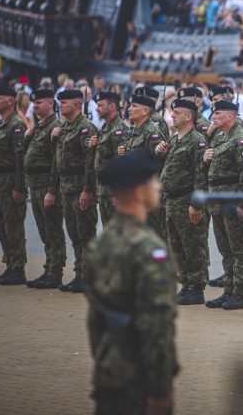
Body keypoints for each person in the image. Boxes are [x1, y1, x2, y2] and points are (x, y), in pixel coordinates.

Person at [84, 151, 179, 415]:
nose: (159, 186)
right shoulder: (149, 248)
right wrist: (160, 390)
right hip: (140, 377)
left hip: (108, 369)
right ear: (139, 192)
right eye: (154, 181)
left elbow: (95, 320)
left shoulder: (101, 243)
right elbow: (157, 326)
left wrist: (106, 360)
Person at [155, 99, 209, 306]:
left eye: (176, 112)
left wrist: (196, 204)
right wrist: (160, 154)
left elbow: (200, 175)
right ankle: (186, 284)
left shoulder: (197, 141)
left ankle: (196, 287)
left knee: (192, 245)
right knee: (176, 246)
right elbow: (170, 170)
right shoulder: (174, 139)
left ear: (188, 116)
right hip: (172, 200)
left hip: (187, 200)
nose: (172, 115)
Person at [202, 100, 243, 310]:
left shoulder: (240, 138)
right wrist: (205, 159)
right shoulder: (220, 137)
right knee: (225, 249)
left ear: (231, 116)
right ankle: (229, 289)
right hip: (218, 202)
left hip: (233, 202)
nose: (213, 116)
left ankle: (239, 293)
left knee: (238, 248)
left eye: (218, 113)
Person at [51, 89, 99, 294]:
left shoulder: (85, 128)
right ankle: (80, 273)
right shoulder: (64, 127)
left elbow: (90, 162)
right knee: (74, 234)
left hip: (80, 188)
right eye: (59, 102)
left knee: (86, 233)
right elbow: (58, 159)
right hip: (66, 188)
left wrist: (88, 190)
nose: (60, 105)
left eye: (64, 102)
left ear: (77, 105)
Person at [0, 87, 28, 286]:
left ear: (10, 101)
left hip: (10, 183)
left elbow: (20, 159)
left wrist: (19, 187)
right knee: (0, 227)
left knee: (13, 227)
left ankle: (18, 268)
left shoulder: (16, 125)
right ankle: (10, 264)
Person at [23, 89, 66, 289]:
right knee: (44, 232)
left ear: (51, 103)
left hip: (47, 187)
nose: (35, 106)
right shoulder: (39, 127)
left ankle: (55, 272)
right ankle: (48, 268)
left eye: (39, 102)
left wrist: (52, 190)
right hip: (36, 185)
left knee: (53, 230)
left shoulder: (55, 127)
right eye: (34, 103)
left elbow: (56, 163)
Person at [119, 94, 168, 241]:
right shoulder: (134, 131)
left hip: (147, 196)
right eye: (130, 105)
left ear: (145, 110)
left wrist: (155, 198)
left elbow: (158, 166)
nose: (129, 109)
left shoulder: (152, 132)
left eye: (134, 106)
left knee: (153, 240)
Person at [89, 91, 127, 226]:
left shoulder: (119, 129)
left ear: (112, 107)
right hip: (103, 191)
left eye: (100, 105)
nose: (97, 108)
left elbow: (121, 163)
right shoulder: (106, 128)